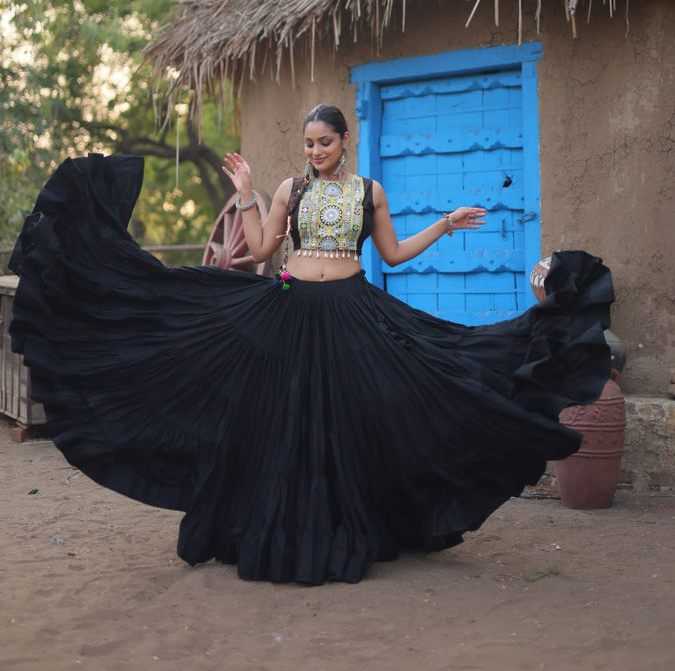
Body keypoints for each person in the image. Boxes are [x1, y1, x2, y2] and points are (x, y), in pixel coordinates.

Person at [9, 103, 613, 586]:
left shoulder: (368, 192)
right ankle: (277, 529)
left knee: (372, 409)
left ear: (344, 141)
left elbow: (394, 255)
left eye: (324, 142)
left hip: (353, 313)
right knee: (286, 421)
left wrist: (445, 224)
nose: (315, 151)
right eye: (308, 143)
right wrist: (247, 191)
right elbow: (262, 250)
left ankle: (364, 522)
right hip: (292, 310)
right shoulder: (290, 191)